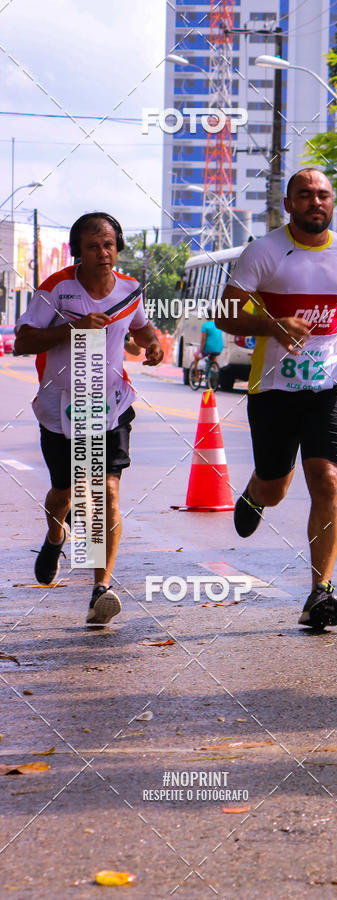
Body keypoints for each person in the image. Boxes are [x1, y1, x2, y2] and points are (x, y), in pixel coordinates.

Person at [216, 168, 337, 629]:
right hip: (273, 390)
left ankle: (320, 592)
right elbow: (226, 316)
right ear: (288, 204)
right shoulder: (263, 252)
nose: (316, 201)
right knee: (276, 488)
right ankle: (256, 492)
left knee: (327, 480)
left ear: (333, 202)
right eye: (305, 194)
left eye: (323, 194)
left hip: (328, 387)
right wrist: (274, 325)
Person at [14, 212, 164, 626]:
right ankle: (55, 535)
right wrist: (73, 328)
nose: (103, 252)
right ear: (78, 251)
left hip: (111, 406)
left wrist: (152, 345)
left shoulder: (130, 289)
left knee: (106, 492)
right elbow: (22, 341)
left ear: (118, 247)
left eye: (109, 244)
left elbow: (142, 328)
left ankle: (101, 588)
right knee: (65, 495)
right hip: (60, 409)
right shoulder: (56, 289)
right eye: (93, 246)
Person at [190, 314, 224, 382]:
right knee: (213, 357)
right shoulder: (218, 325)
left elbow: (203, 339)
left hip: (208, 348)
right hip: (219, 348)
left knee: (196, 358)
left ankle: (197, 376)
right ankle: (215, 371)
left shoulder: (205, 326)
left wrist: (200, 351)